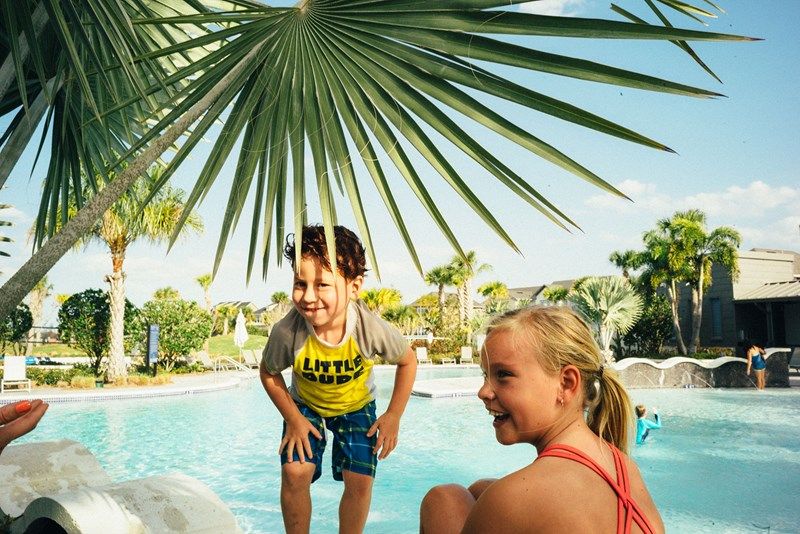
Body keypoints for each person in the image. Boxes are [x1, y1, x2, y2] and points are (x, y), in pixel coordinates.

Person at [419, 306, 664, 534]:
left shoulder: (513, 499)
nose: (483, 392)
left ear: (566, 383)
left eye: (503, 375)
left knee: (444, 499)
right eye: (486, 375)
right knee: (479, 489)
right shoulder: (623, 466)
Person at [260, 224, 417, 534]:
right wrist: (292, 418)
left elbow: (408, 361)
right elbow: (268, 372)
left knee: (359, 478)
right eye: (300, 283)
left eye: (322, 285)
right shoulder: (288, 332)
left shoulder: (368, 328)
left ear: (354, 287)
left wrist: (393, 414)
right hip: (306, 405)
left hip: (357, 406)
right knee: (294, 472)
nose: (308, 297)